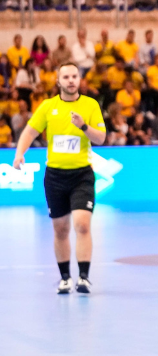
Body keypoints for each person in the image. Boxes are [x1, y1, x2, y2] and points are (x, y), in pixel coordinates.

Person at [13, 62, 106, 294]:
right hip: (55, 176)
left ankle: (83, 277)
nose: (71, 80)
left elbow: (101, 138)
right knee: (61, 229)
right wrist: (19, 153)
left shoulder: (90, 105)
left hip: (82, 174)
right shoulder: (48, 106)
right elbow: (31, 131)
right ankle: (65, 278)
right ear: (58, 81)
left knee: (82, 225)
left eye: (74, 76)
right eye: (66, 77)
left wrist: (83, 126)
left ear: (79, 79)